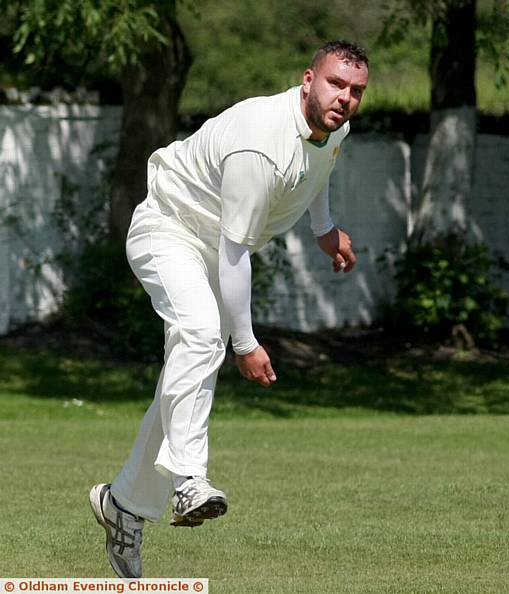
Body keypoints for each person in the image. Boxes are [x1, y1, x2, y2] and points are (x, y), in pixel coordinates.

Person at [89, 40, 369, 578]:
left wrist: (323, 229)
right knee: (203, 336)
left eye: (356, 91)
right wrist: (246, 343)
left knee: (184, 371)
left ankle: (123, 505)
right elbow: (235, 252)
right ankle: (189, 480)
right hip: (167, 228)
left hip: (210, 242)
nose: (345, 99)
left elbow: (319, 168)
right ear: (307, 79)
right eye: (336, 84)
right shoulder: (259, 143)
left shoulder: (335, 127)